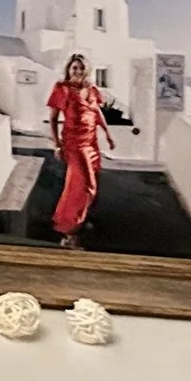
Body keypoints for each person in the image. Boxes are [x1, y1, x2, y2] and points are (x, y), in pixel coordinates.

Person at [45, 52, 115, 248]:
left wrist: (108, 135)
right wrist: (57, 144)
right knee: (87, 187)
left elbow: (96, 112)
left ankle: (70, 219)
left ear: (87, 70)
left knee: (77, 187)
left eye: (81, 67)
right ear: (69, 69)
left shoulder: (91, 89)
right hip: (75, 145)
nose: (77, 70)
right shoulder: (62, 89)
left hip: (91, 143)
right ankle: (69, 233)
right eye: (74, 67)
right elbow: (53, 118)